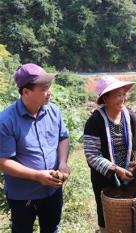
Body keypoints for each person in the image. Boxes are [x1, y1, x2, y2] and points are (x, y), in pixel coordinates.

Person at [0, 63, 70, 233]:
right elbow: (3, 161)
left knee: (52, 228)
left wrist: (62, 163)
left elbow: (63, 138)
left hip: (52, 190)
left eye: (49, 87)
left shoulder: (53, 111)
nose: (50, 92)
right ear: (26, 92)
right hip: (23, 194)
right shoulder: (6, 120)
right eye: (44, 88)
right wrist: (37, 175)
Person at [83, 75, 136, 233]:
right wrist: (115, 169)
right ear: (106, 98)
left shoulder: (130, 116)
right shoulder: (95, 121)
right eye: (118, 95)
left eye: (123, 94)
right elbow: (92, 155)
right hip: (105, 179)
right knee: (107, 215)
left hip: (130, 176)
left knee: (131, 212)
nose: (123, 98)